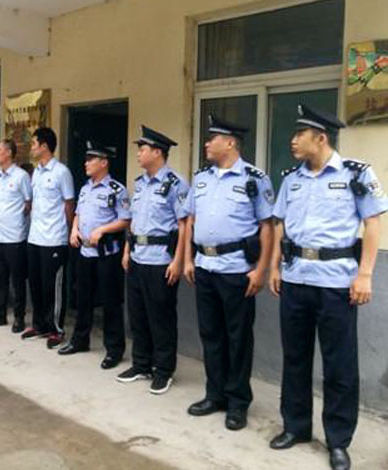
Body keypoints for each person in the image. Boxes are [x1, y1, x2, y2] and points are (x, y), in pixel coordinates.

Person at [267, 105, 387, 470]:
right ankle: (296, 426)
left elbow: (373, 223)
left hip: (336, 283)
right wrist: (275, 266)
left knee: (339, 365)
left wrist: (365, 274)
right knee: (295, 358)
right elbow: (279, 223)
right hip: (295, 280)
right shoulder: (291, 178)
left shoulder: (356, 173)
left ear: (320, 138)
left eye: (299, 134)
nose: (292, 140)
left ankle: (338, 440)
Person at [181, 114, 274, 431]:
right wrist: (189, 259)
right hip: (205, 267)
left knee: (238, 338)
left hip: (236, 270)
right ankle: (215, 394)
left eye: (213, 138)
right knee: (211, 335)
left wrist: (261, 270)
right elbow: (190, 221)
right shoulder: (201, 178)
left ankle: (237, 402)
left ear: (230, 143)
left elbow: (267, 227)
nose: (207, 143)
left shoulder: (254, 179)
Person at [117, 126, 188, 394]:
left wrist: (178, 261)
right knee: (138, 315)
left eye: (142, 149)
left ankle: (163, 370)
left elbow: (184, 225)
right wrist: (127, 251)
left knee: (161, 318)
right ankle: (141, 364)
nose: (138, 154)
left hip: (161, 260)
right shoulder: (140, 183)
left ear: (157, 152)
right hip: (137, 257)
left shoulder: (175, 184)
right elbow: (134, 222)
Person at [58, 142, 130, 370]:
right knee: (83, 298)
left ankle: (114, 349)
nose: (86, 163)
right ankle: (80, 340)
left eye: (91, 160)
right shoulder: (85, 188)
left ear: (104, 163)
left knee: (110, 302)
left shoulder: (117, 190)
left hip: (106, 254)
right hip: (85, 251)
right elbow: (78, 213)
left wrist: (103, 230)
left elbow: (125, 220)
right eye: (86, 159)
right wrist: (74, 230)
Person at [24, 127, 75, 349]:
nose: (32, 148)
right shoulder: (36, 172)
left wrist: (69, 231)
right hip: (35, 237)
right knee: (35, 284)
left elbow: (69, 203)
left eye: (34, 144)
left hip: (54, 237)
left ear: (44, 146)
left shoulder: (61, 172)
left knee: (52, 286)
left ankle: (56, 328)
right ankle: (39, 324)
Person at [0, 139, 32, 331]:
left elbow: (28, 203)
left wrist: (16, 220)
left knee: (17, 280)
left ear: (9, 153)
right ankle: (0, 314)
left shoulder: (21, 176)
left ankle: (19, 317)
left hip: (14, 236)